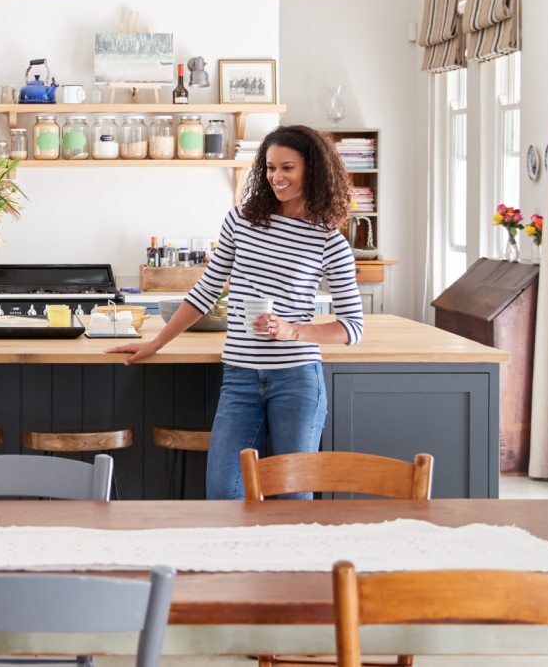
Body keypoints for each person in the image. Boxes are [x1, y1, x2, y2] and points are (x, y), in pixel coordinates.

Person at [107, 125, 365, 499]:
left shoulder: (328, 239)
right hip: (241, 378)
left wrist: (292, 330)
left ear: (313, 169)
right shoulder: (241, 220)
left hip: (297, 381)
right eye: (271, 168)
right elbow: (206, 290)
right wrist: (156, 342)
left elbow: (351, 327)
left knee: (293, 497)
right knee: (223, 494)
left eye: (288, 168)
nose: (277, 177)